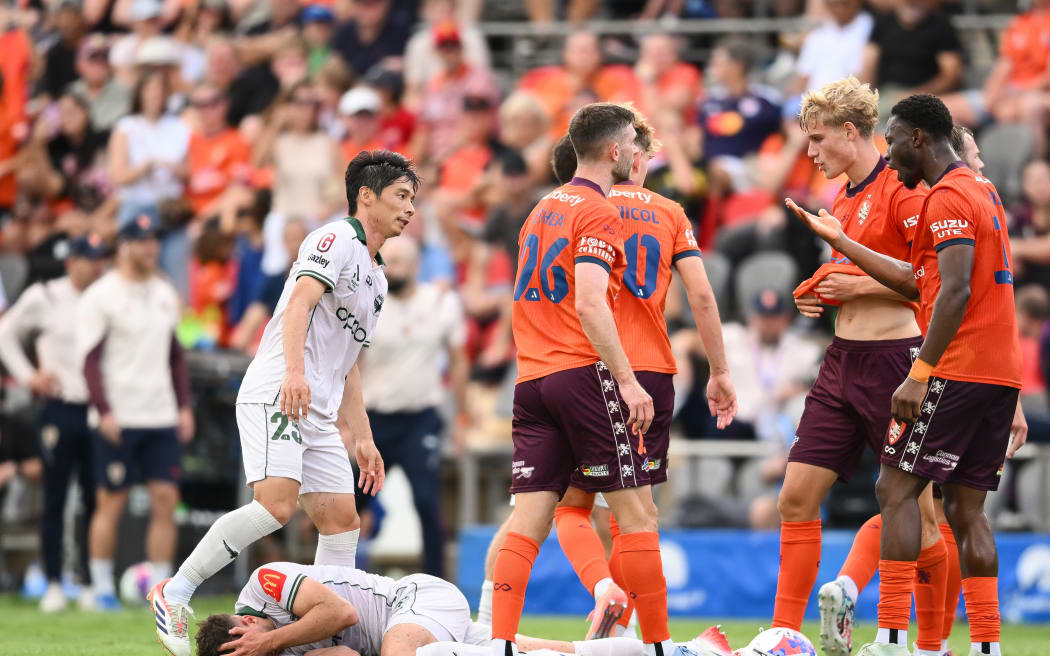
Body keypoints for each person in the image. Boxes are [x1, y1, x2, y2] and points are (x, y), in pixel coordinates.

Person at [149, 150, 417, 656]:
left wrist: (363, 435)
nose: (409, 209)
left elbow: (348, 360)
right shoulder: (334, 238)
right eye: (401, 196)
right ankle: (175, 591)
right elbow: (299, 302)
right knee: (275, 506)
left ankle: (333, 632)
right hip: (281, 387)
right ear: (366, 195)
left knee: (342, 519)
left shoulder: (378, 278)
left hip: (319, 406)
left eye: (412, 200)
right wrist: (294, 372)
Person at [787, 93, 1025, 656]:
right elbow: (927, 276)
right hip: (999, 370)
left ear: (918, 138)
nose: (889, 151)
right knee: (967, 512)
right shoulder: (983, 192)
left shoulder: (943, 197)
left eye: (893, 138)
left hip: (953, 367)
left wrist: (920, 372)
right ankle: (985, 646)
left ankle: (897, 635)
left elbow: (953, 290)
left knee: (896, 490)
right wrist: (842, 248)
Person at [490, 101, 683, 656]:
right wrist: (626, 380)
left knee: (530, 516)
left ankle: (502, 642)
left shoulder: (541, 207)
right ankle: (660, 647)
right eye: (633, 145)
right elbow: (592, 302)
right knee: (636, 512)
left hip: (532, 378)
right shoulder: (598, 211)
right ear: (616, 150)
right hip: (581, 372)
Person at [542, 116, 737, 639]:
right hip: (651, 368)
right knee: (638, 511)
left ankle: (608, 600)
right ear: (636, 157)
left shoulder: (576, 207)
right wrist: (719, 371)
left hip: (587, 363)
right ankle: (642, 633)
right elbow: (700, 295)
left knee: (574, 504)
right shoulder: (670, 212)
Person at [778, 77, 947, 656]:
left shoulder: (907, 192)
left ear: (852, 132)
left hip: (896, 362)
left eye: (819, 138)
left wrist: (846, 284)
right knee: (795, 496)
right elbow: (855, 285)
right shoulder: (845, 199)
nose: (811, 152)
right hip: (841, 361)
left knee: (922, 517)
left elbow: (931, 286)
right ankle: (784, 632)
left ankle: (925, 644)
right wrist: (820, 292)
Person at [195, 560, 707, 656]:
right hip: (422, 634)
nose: (262, 653)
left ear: (245, 622)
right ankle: (688, 651)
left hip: (416, 600)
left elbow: (342, 617)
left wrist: (271, 639)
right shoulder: (268, 654)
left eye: (253, 644)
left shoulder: (266, 584)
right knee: (552, 651)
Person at [75, 217, 194, 612]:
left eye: (155, 242)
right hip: (119, 416)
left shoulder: (162, 291)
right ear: (123, 245)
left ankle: (162, 590)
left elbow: (175, 356)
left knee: (166, 498)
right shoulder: (100, 295)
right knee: (112, 501)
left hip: (159, 413)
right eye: (142, 242)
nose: (151, 249)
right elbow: (89, 361)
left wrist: (184, 407)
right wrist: (103, 410)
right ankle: (103, 586)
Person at [0, 235, 107, 612]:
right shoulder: (44, 296)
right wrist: (29, 375)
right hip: (59, 407)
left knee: (97, 498)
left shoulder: (105, 296)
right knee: (56, 496)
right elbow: (5, 334)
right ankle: (54, 581)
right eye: (89, 259)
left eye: (99, 259)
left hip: (97, 409)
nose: (96, 266)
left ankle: (91, 580)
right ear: (71, 261)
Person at [358, 235, 469, 578]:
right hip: (375, 418)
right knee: (352, 503)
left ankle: (437, 581)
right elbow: (353, 364)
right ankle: (339, 577)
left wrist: (462, 414)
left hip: (421, 417)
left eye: (401, 261)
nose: (394, 268)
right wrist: (348, 422)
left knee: (426, 500)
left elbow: (458, 359)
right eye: (388, 261)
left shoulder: (439, 302)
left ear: (417, 264)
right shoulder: (368, 306)